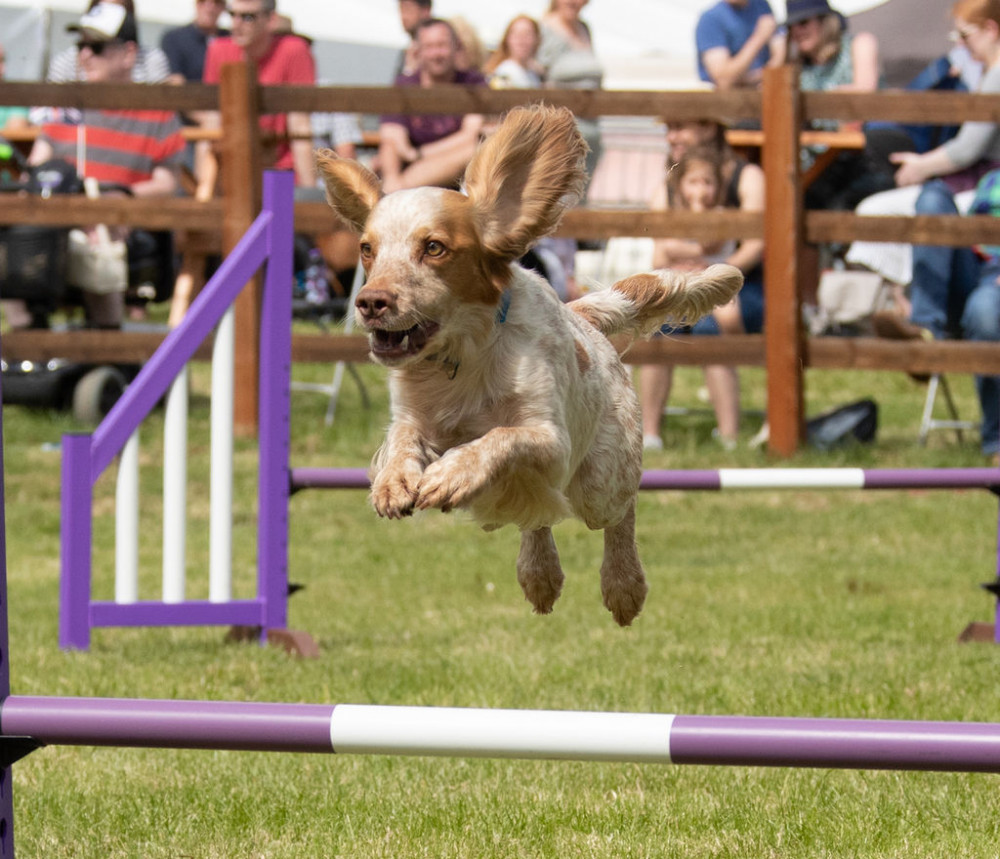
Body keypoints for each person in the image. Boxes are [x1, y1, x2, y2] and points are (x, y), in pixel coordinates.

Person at [859, 0, 1000, 459]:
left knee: (985, 310)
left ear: (990, 29)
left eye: (965, 36)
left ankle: (995, 443)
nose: (960, 47)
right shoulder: (981, 75)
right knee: (933, 201)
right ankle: (926, 326)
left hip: (991, 266)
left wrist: (922, 165)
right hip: (977, 235)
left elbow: (970, 146)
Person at [24, 3, 185, 328]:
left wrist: (121, 198)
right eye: (80, 45)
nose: (84, 55)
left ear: (128, 54)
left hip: (118, 221)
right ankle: (25, 348)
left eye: (95, 47)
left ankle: (110, 347)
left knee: (99, 238)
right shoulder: (67, 106)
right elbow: (36, 168)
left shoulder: (156, 113)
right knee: (17, 237)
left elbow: (167, 184)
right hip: (60, 215)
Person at [639, 120, 765, 451]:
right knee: (659, 330)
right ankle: (649, 430)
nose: (702, 191)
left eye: (708, 183)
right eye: (693, 182)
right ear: (680, 185)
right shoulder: (667, 200)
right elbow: (661, 254)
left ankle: (728, 434)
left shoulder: (727, 205)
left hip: (720, 286)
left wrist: (705, 265)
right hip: (681, 285)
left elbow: (715, 242)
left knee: (715, 332)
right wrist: (693, 257)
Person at [196, 0, 316, 198]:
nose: (236, 23)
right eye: (232, 14)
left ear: (271, 20)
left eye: (248, 17)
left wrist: (309, 192)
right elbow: (211, 124)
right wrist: (203, 188)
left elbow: (300, 126)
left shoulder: (294, 50)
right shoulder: (218, 50)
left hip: (279, 172)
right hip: (228, 172)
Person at [378, 18, 486, 194]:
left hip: (450, 179)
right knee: (389, 146)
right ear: (418, 51)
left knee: (475, 148)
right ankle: (392, 189)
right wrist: (410, 156)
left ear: (456, 47)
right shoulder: (404, 85)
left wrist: (419, 154)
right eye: (429, 46)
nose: (436, 54)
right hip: (408, 166)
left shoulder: (473, 82)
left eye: (442, 45)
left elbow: (470, 136)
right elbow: (392, 136)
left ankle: (393, 193)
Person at [695, 0, 785, 90]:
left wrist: (764, 76)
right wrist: (759, 37)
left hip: (763, 93)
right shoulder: (711, 19)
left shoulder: (761, 5)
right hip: (727, 99)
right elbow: (724, 80)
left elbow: (779, 59)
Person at [160, 0, 228, 84]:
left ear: (223, 7)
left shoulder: (231, 39)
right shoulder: (174, 39)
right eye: (202, 1)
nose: (210, 8)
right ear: (196, 4)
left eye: (217, 2)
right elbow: (175, 79)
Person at [484, 15, 545, 88]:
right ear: (507, 39)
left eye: (528, 34)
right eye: (516, 34)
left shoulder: (533, 74)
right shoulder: (504, 72)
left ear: (537, 39)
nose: (521, 40)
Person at [396, 0, 433, 77]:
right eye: (400, 9)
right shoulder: (409, 50)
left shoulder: (437, 50)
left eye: (408, 9)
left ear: (426, 10)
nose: (404, 16)